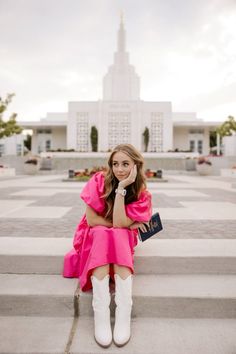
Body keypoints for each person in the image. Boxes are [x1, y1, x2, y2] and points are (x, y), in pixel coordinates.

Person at [63, 144, 152, 348]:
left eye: (125, 164)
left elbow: (120, 224)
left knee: (118, 233)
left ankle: (123, 311)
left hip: (120, 241)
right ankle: (100, 312)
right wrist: (121, 224)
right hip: (95, 236)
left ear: (136, 166)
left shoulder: (142, 194)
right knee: (104, 232)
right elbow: (93, 220)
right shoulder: (98, 181)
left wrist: (122, 189)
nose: (119, 169)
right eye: (115, 164)